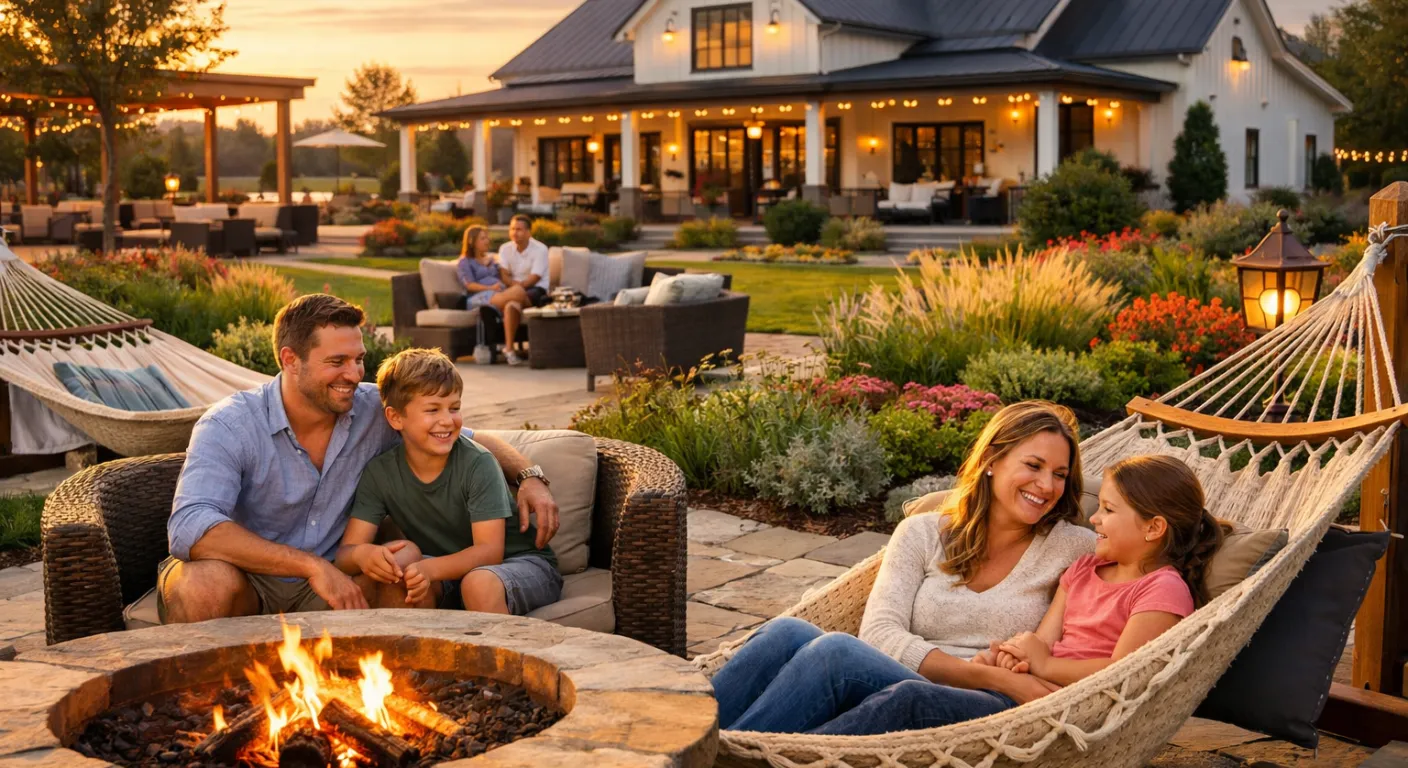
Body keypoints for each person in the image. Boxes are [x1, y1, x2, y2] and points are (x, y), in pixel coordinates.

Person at [161, 294, 560, 623]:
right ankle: (197, 707)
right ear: (289, 360)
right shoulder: (229, 424)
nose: (353, 375)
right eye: (337, 362)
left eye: (358, 359)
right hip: (252, 579)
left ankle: (402, 704)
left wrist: (529, 476)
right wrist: (313, 567)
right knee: (203, 584)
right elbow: (192, 526)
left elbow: (466, 439)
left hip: (341, 581)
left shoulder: (374, 407)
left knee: (402, 572)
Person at [711, 401, 1095, 733]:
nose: (1046, 485)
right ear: (993, 460)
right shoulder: (923, 532)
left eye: (1059, 474)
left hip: (981, 708)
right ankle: (689, 739)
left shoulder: (1074, 547)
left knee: (836, 654)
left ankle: (730, 754)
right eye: (1034, 465)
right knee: (785, 631)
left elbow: (1138, 581)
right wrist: (992, 675)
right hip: (940, 680)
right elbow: (878, 633)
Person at [813, 454, 1225, 735]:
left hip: (1058, 717)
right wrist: (1010, 655)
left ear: (1154, 528)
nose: (1094, 518)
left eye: (1110, 511)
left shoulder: (1163, 589)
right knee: (811, 651)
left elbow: (1126, 674)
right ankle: (781, 751)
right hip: (1017, 692)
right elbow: (1040, 640)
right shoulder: (1084, 570)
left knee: (907, 700)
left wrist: (1041, 664)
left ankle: (798, 754)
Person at [335, 348, 561, 614]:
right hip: (450, 572)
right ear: (396, 418)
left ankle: (499, 655)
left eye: (454, 408)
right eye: (432, 409)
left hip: (519, 565)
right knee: (399, 564)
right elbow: (345, 555)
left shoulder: (477, 463)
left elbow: (490, 553)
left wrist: (427, 569)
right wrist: (363, 555)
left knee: (478, 583)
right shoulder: (380, 473)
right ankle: (410, 653)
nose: (447, 420)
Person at [496, 214, 551, 365]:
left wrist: (517, 289)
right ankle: (509, 350)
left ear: (528, 232)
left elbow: (535, 277)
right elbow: (504, 274)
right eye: (512, 229)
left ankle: (493, 303)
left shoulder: (540, 249)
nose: (515, 232)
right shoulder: (505, 249)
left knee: (513, 297)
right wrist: (514, 289)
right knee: (511, 306)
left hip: (536, 290)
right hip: (513, 291)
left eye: (519, 229)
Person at [458, 225, 531, 316]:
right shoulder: (465, 261)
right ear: (472, 241)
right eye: (483, 238)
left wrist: (501, 268)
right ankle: (537, 309)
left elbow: (504, 275)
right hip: (478, 297)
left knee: (514, 302)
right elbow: (469, 285)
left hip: (499, 293)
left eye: (487, 238)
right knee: (518, 291)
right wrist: (490, 288)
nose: (487, 241)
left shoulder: (491, 259)